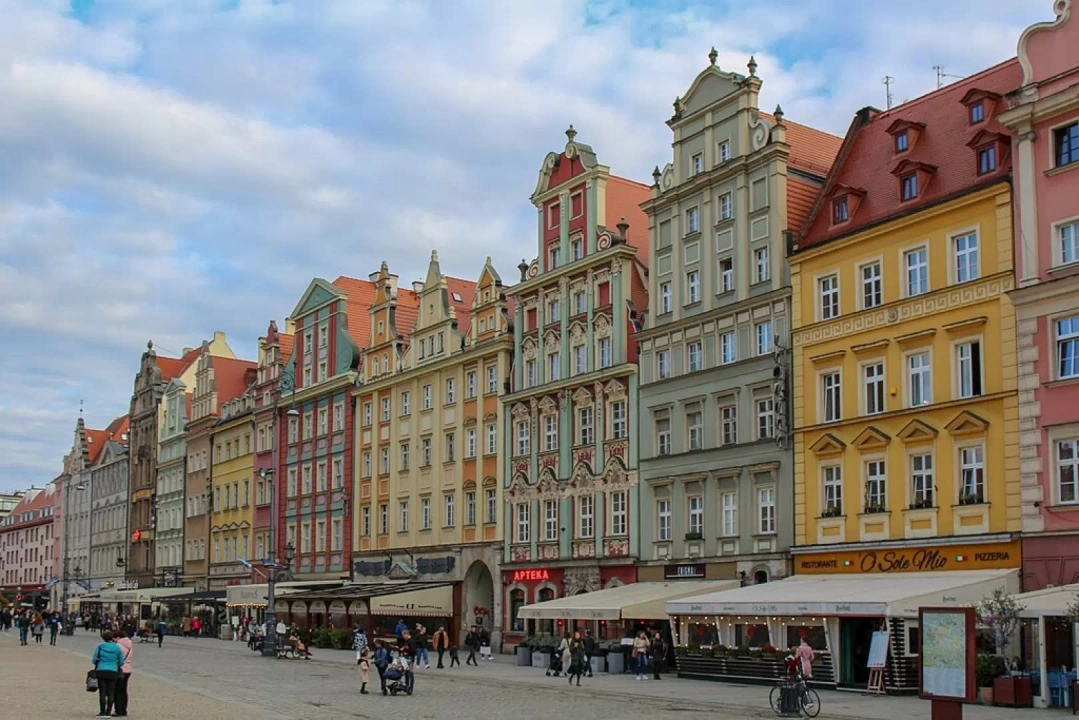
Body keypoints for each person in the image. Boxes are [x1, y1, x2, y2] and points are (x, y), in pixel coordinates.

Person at [92, 630, 124, 719]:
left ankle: (102, 711)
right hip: (113, 670)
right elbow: (121, 661)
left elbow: (94, 659)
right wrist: (116, 665)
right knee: (111, 691)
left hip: (101, 670)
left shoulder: (100, 647)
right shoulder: (117, 648)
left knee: (102, 691)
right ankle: (108, 712)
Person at [114, 629, 134, 717]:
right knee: (124, 691)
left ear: (118, 637)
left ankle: (118, 710)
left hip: (120, 669)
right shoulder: (129, 645)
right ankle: (123, 709)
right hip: (128, 669)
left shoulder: (118, 646)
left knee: (117, 691)